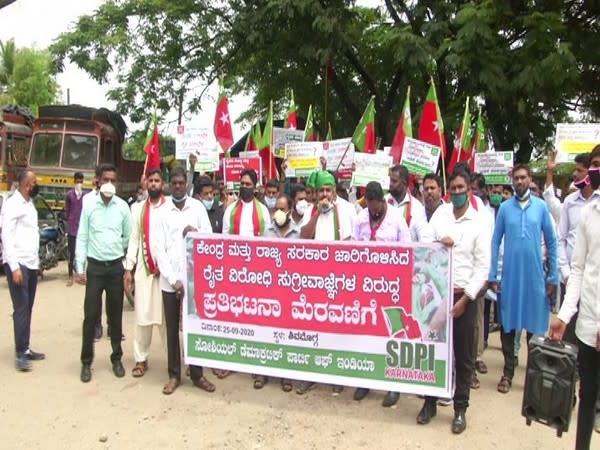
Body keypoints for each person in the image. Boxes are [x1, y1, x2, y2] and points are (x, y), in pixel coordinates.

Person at [416, 170, 490, 434]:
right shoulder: (441, 215)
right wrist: (439, 242)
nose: (457, 192)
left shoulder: (479, 222)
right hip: (438, 294)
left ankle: (460, 409)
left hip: (465, 297)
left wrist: (467, 297)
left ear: (469, 189)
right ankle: (430, 402)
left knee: (464, 355)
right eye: (454, 189)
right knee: (433, 351)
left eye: (461, 188)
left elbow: (483, 267)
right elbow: (423, 241)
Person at [488, 163, 558, 394]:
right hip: (510, 276)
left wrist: (553, 275)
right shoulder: (506, 209)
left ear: (529, 179)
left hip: (535, 277)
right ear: (512, 179)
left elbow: (552, 241)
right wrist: (492, 274)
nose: (519, 182)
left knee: (534, 326)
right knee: (508, 325)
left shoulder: (540, 207)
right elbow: (496, 240)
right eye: (516, 178)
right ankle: (508, 373)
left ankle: (533, 377)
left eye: (523, 178)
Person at [548, 145, 600, 450]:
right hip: (586, 325)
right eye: (594, 164)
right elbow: (579, 269)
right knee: (587, 393)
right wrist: (565, 316)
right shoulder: (588, 214)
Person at [155, 167, 216, 395]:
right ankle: (173, 375)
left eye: (182, 183)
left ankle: (197, 374)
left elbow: (209, 238)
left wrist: (196, 231)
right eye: (175, 183)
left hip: (193, 281)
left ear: (187, 185)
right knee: (172, 330)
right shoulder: (162, 212)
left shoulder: (197, 208)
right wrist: (173, 280)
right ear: (170, 185)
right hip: (170, 283)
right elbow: (159, 249)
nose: (178, 186)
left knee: (194, 327)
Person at [352, 181, 412, 403]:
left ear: (381, 201)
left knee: (392, 334)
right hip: (367, 286)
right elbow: (352, 249)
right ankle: (365, 381)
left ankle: (393, 386)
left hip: (391, 287)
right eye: (369, 206)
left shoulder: (396, 218)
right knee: (367, 334)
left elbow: (407, 250)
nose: (372, 211)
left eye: (375, 207)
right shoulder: (361, 218)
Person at [298, 170, 356, 395]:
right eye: (321, 190)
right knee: (313, 327)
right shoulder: (310, 210)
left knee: (336, 327)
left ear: (334, 191)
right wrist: (317, 214)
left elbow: (351, 243)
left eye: (328, 190)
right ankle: (311, 374)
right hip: (314, 280)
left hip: (338, 279)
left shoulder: (347, 210)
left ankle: (336, 374)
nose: (324, 194)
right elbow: (303, 236)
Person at [76, 163, 132, 383]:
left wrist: (119, 253)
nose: (109, 183)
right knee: (90, 316)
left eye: (113, 180)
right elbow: (82, 236)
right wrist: (80, 267)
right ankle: (86, 362)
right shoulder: (89, 205)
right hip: (96, 268)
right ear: (98, 181)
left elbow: (127, 237)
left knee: (115, 315)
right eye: (105, 179)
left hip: (115, 267)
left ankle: (116, 358)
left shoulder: (122, 207)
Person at [221, 168, 270, 381]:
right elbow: (224, 241)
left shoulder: (264, 211)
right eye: (242, 183)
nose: (244, 187)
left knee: (257, 319)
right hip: (235, 271)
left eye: (248, 184)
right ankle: (233, 361)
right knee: (235, 317)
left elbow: (269, 242)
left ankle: (258, 366)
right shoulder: (230, 210)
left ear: (255, 187)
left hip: (257, 273)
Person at [124, 169, 167, 378]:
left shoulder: (170, 209)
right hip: (143, 269)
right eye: (150, 180)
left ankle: (173, 362)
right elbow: (134, 239)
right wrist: (128, 268)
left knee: (166, 320)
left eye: (157, 180)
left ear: (162, 184)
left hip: (165, 273)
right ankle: (141, 359)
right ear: (145, 183)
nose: (153, 184)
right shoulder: (138, 209)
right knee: (142, 316)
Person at [1, 169, 45, 371]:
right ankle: (20, 354)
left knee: (27, 308)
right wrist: (14, 266)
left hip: (31, 263)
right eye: (35, 182)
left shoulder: (29, 203)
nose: (37, 185)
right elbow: (7, 237)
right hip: (19, 265)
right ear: (27, 185)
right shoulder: (12, 204)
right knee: (20, 308)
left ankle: (25, 348)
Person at [263, 192, 300, 392]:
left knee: (288, 334)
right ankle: (264, 372)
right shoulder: (267, 231)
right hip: (271, 289)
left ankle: (286, 375)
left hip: (291, 291)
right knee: (268, 332)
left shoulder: (299, 233)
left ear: (290, 210)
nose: (278, 212)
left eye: (282, 209)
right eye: (276, 208)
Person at [386, 164, 433, 243]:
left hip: (408, 253)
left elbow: (424, 236)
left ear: (404, 183)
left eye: (394, 181)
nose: (390, 184)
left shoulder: (417, 208)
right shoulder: (383, 201)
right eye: (390, 180)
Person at [65, 171, 84, 287]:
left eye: (81, 182)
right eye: (77, 182)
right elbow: (67, 211)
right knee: (71, 253)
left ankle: (81, 275)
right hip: (72, 228)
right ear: (74, 181)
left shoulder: (85, 196)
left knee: (81, 253)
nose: (79, 184)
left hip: (81, 228)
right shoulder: (69, 195)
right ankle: (70, 276)